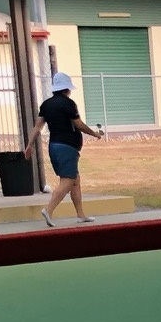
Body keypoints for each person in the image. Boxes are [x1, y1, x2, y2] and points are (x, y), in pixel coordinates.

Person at [25, 71, 103, 227]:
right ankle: (48, 210)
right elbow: (78, 124)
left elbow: (37, 127)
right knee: (68, 181)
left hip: (54, 146)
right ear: (67, 89)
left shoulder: (46, 105)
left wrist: (29, 145)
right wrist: (95, 134)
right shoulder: (69, 104)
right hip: (67, 147)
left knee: (75, 180)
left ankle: (81, 214)